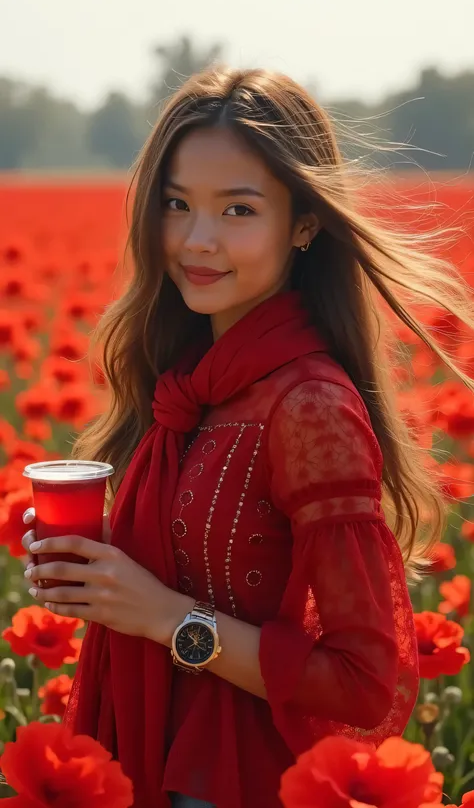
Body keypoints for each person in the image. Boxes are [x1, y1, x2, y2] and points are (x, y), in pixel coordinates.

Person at [21, 67, 474, 808]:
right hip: (153, 759)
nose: (198, 240)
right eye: (176, 204)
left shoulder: (309, 407)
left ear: (304, 224)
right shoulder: (184, 385)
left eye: (238, 209)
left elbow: (368, 684)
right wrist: (98, 574)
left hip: (238, 782)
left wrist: (164, 617)